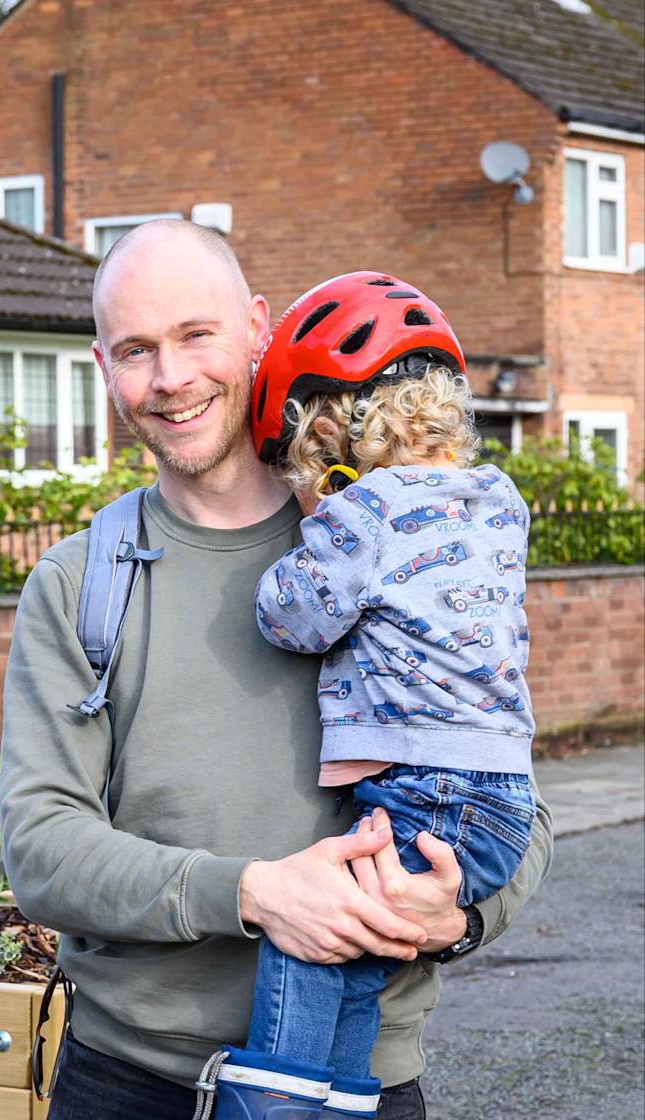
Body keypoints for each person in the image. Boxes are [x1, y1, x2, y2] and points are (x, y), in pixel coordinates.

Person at [0, 221, 552, 1120]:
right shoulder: (78, 582)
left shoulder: (406, 539)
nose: (171, 379)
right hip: (127, 1084)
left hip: (361, 1089)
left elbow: (515, 795)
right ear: (104, 367)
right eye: (137, 350)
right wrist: (255, 894)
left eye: (195, 335)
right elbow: (42, 849)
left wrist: (459, 917)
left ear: (259, 329)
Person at [195, 272, 537, 1119]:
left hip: (431, 792)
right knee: (354, 968)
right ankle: (340, 1107)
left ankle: (272, 1110)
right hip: (500, 800)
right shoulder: (500, 501)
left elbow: (293, 618)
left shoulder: (363, 512)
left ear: (330, 442)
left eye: (304, 465)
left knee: (307, 944)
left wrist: (318, 520)